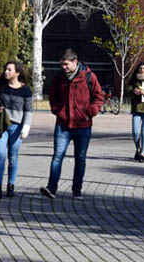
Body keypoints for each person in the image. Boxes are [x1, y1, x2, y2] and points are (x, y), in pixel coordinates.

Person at [40, 48, 104, 200]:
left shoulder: (89, 76)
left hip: (83, 126)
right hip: (63, 125)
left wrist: (90, 112)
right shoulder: (59, 77)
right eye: (61, 65)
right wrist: (56, 110)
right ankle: (51, 188)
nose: (63, 68)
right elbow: (52, 96)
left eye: (66, 65)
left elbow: (99, 97)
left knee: (80, 158)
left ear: (75, 62)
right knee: (57, 156)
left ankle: (77, 190)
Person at [0, 61, 32, 199]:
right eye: (5, 69)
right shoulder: (1, 87)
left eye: (9, 69)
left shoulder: (26, 90)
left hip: (17, 127)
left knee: (13, 157)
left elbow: (28, 110)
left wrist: (26, 127)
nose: (6, 72)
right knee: (1, 154)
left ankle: (11, 185)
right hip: (2, 125)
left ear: (17, 72)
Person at [129, 62, 144, 163]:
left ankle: (143, 153)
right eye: (141, 68)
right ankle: (138, 148)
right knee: (136, 131)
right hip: (136, 108)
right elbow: (128, 89)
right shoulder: (134, 79)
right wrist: (134, 91)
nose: (142, 70)